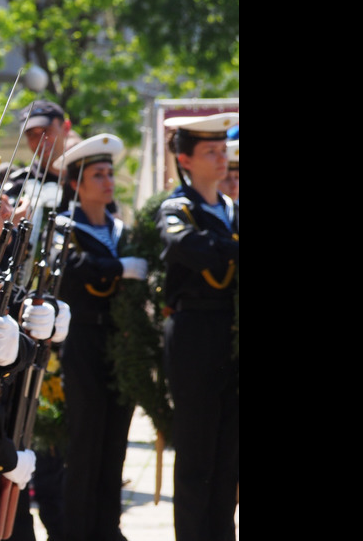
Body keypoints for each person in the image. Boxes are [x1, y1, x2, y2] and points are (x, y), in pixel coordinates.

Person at [46, 133, 146, 541]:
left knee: (114, 446)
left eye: (110, 174)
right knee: (85, 449)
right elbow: (71, 268)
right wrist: (119, 268)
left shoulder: (120, 229)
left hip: (117, 344)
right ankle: (77, 532)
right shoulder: (64, 225)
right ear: (75, 183)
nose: (108, 182)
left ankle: (109, 529)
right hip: (80, 343)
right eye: (97, 175)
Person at [157, 112, 239, 541]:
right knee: (195, 459)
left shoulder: (232, 210)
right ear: (185, 159)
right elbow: (190, 248)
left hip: (229, 332)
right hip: (193, 332)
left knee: (228, 459)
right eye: (210, 151)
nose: (221, 158)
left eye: (223, 149)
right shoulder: (177, 208)